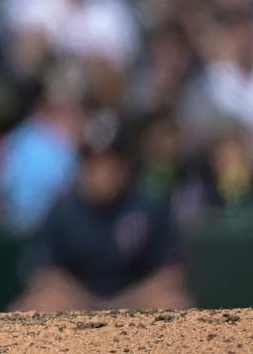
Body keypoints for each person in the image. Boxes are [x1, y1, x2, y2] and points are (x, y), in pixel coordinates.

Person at [13, 121, 189, 313]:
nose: (102, 172)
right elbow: (42, 271)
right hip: (75, 303)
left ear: (125, 165)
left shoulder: (150, 206)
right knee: (40, 304)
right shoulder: (63, 210)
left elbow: (171, 272)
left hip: (137, 302)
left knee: (171, 303)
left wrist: (121, 303)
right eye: (94, 162)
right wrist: (89, 303)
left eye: (110, 162)